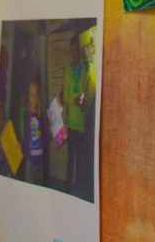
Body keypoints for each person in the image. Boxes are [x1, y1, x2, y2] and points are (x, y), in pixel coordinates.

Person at [62, 35, 92, 197]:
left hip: (81, 122)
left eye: (75, 49)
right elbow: (65, 96)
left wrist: (83, 102)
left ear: (78, 52)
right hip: (71, 123)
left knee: (80, 159)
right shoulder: (68, 72)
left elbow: (87, 96)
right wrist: (73, 100)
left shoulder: (84, 71)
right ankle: (68, 191)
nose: (73, 53)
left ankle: (79, 192)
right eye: (71, 50)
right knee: (70, 159)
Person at [18, 77, 48, 185]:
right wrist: (21, 145)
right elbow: (25, 138)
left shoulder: (40, 117)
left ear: (38, 97)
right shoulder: (26, 117)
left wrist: (51, 132)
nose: (34, 97)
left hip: (40, 163)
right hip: (30, 164)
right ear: (28, 97)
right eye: (31, 94)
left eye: (36, 94)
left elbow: (43, 139)